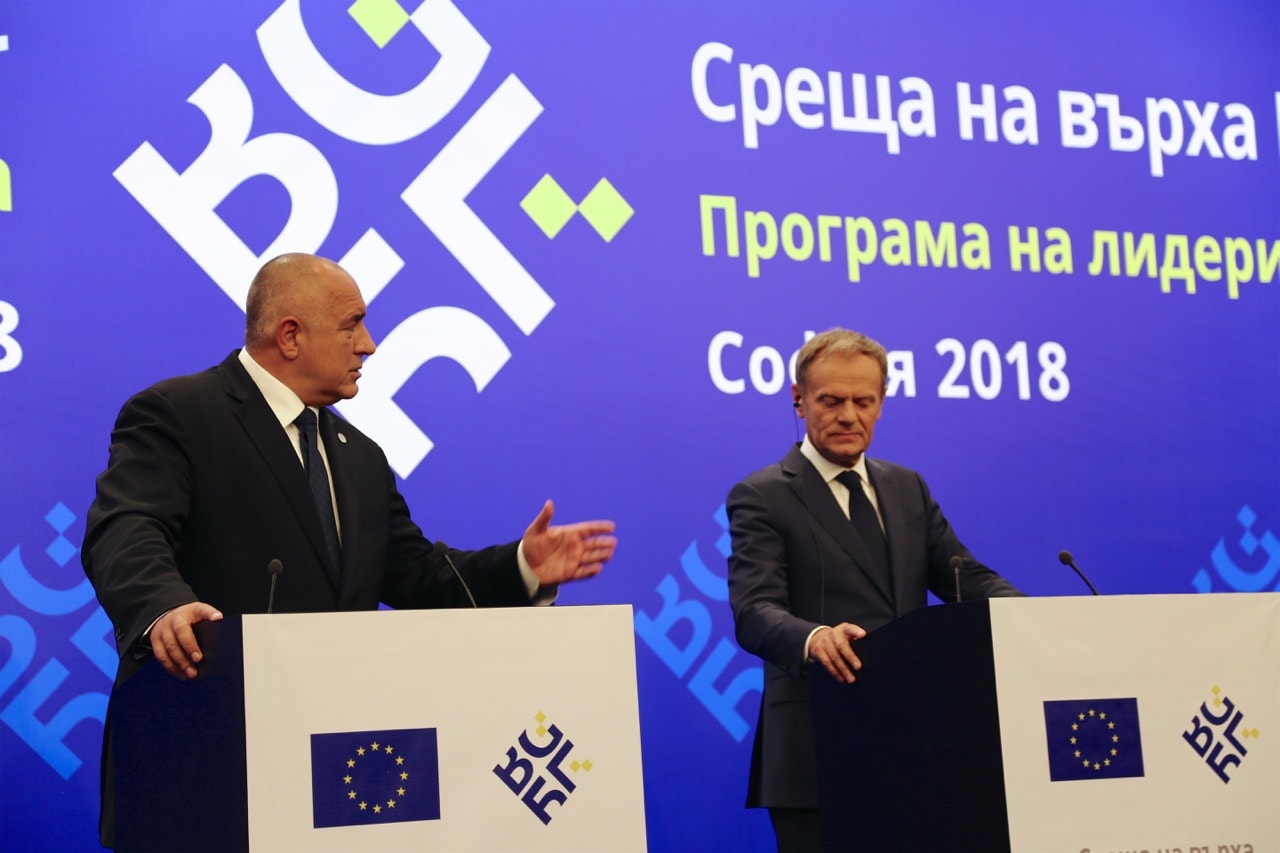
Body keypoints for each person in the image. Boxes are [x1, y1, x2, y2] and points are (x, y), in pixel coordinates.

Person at [82, 253, 617, 847]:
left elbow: (412, 572)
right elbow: (126, 528)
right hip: (205, 748)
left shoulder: (357, 453)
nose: (369, 344)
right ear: (290, 335)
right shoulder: (180, 414)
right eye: (352, 324)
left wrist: (521, 568)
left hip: (331, 770)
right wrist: (163, 606)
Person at [726, 328, 1022, 852]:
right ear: (798, 400)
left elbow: (963, 578)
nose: (848, 415)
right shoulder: (763, 495)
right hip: (818, 750)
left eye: (864, 401)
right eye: (831, 400)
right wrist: (814, 638)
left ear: (882, 403)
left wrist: (1035, 617)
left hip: (916, 746)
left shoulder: (907, 487)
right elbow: (754, 610)